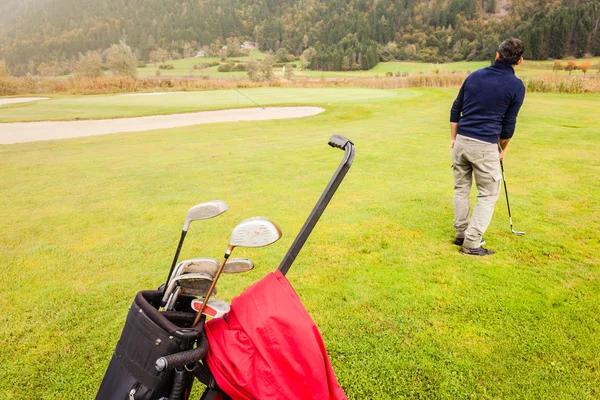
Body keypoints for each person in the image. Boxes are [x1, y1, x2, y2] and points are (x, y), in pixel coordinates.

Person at [450, 38, 526, 256]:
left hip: (462, 141)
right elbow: (508, 125)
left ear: (497, 54)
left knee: (461, 189)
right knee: (488, 194)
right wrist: (503, 149)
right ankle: (472, 243)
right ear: (519, 61)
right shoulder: (516, 86)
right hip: (485, 145)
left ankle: (461, 234)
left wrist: (454, 138)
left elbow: (456, 109)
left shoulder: (474, 76)